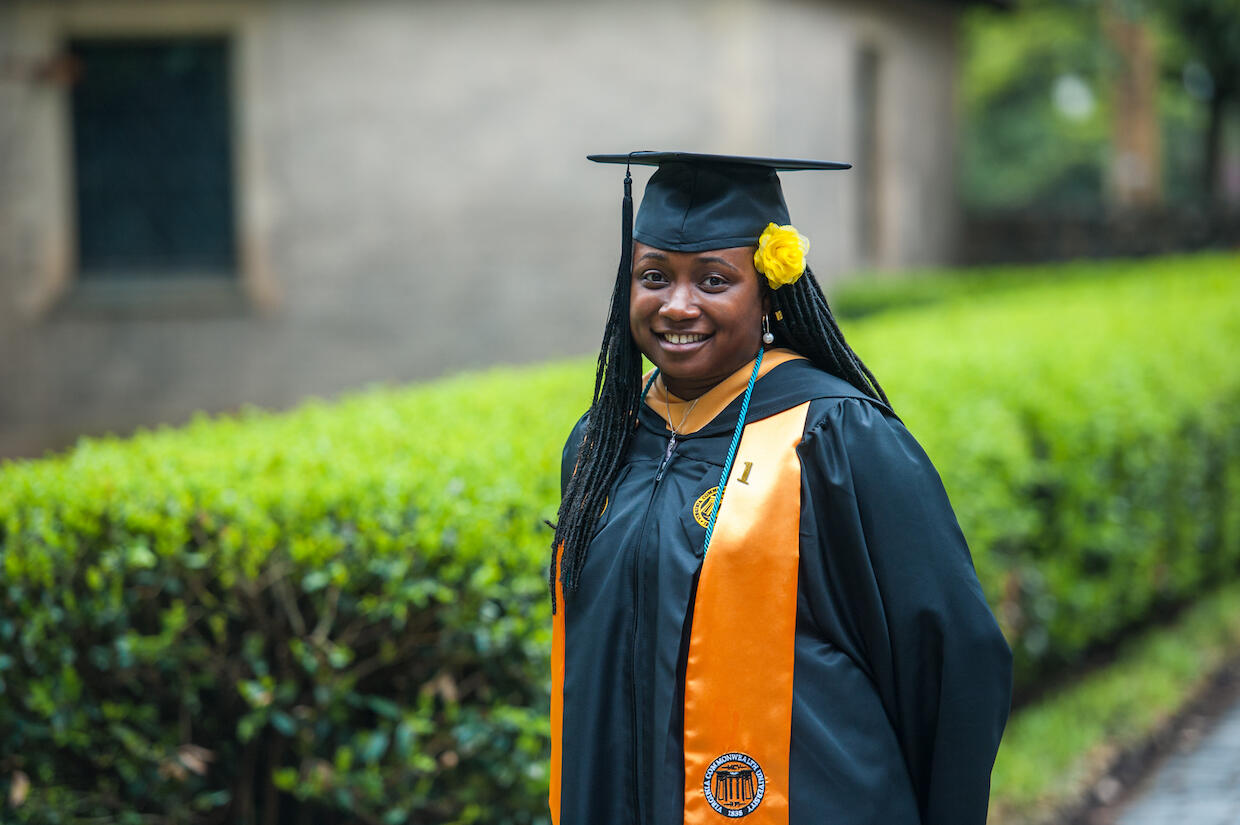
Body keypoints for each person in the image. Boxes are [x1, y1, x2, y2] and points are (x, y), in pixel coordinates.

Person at [549, 151, 1012, 825]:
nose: (678, 305)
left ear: (767, 289)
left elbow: (951, 653)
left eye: (713, 279)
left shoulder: (834, 437)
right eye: (654, 276)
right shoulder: (601, 443)